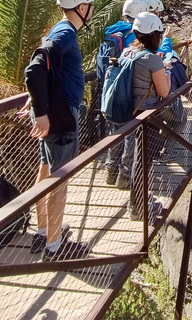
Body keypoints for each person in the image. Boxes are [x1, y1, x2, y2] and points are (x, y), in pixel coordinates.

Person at [21, 0, 94, 262]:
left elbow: (47, 68)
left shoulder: (58, 30)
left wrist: (38, 99)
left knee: (45, 169)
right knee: (59, 179)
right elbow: (35, 68)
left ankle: (43, 231)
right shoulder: (65, 33)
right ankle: (55, 247)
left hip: (52, 114)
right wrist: (40, 109)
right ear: (82, 8)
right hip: (59, 117)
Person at [124, 12, 171, 220]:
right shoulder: (152, 60)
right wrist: (167, 72)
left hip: (130, 112)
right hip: (148, 116)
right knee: (144, 161)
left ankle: (139, 201)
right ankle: (139, 207)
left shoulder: (129, 52)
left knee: (138, 158)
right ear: (154, 35)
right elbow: (164, 92)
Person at [104, 0, 149, 189]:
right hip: (128, 92)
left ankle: (110, 171)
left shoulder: (112, 31)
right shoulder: (133, 35)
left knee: (114, 132)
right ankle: (124, 176)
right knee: (130, 135)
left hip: (110, 90)